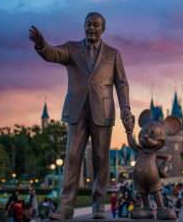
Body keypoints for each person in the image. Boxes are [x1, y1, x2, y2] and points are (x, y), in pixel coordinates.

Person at [29, 12, 134, 220]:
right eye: (88, 24)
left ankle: (98, 207)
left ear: (103, 29)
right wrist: (42, 44)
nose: (92, 28)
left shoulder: (113, 54)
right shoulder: (72, 48)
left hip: (102, 112)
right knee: (73, 157)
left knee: (101, 159)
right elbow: (52, 53)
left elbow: (121, 83)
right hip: (77, 111)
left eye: (96, 25)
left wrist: (126, 108)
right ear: (83, 26)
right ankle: (65, 208)